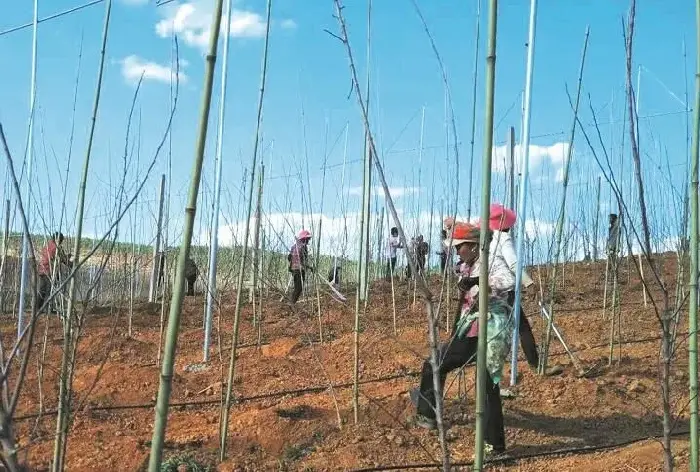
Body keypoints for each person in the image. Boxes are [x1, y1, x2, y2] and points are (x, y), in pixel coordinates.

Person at [411, 223, 511, 456]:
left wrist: (479, 283)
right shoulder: (468, 265)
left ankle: (493, 446)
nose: (456, 252)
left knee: (486, 387)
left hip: (488, 331)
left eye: (460, 247)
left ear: (474, 246)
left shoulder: (491, 262)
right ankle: (428, 414)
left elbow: (508, 280)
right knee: (436, 363)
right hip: (470, 329)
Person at [36, 232, 71, 313]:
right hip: (50, 272)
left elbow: (57, 258)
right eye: (61, 240)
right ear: (58, 239)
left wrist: (65, 257)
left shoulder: (46, 246)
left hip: (42, 271)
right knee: (50, 291)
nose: (61, 242)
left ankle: (38, 309)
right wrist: (72, 264)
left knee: (42, 291)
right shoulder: (57, 248)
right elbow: (63, 260)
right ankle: (48, 310)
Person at [288, 229, 312, 304]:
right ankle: (291, 304)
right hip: (300, 270)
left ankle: (291, 303)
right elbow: (303, 260)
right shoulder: (303, 247)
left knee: (296, 287)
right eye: (308, 239)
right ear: (304, 239)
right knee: (299, 288)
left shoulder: (293, 246)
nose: (308, 241)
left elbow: (289, 257)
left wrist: (293, 264)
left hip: (294, 269)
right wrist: (310, 267)